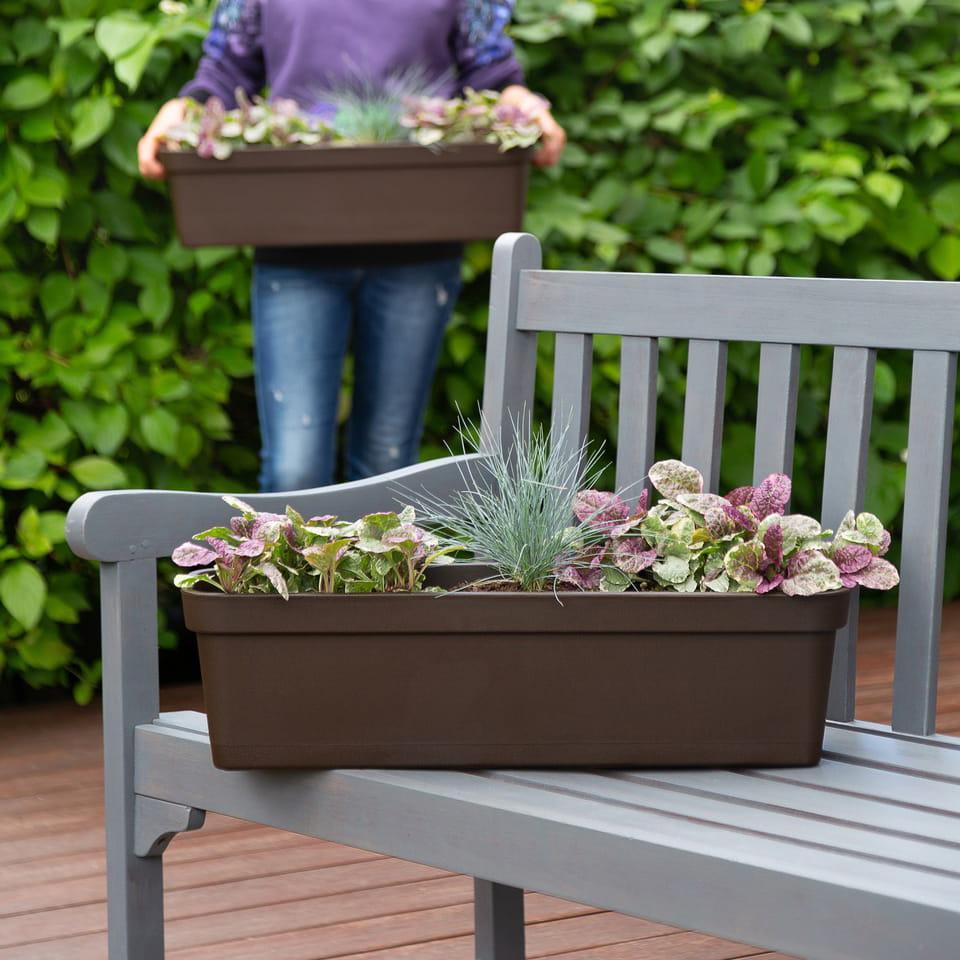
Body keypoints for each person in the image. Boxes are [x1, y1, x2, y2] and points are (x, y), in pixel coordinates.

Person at [138, 0, 565, 491]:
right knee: (294, 470)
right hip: (295, 239)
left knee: (388, 464)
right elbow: (227, 70)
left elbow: (489, 71)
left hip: (419, 240)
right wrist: (182, 112)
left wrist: (523, 106)